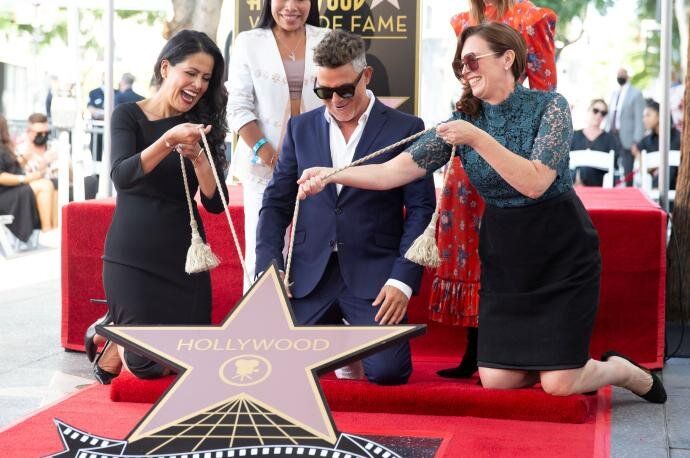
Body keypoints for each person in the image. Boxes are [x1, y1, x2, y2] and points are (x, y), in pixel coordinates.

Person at [297, 23, 666, 403]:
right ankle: (555, 364)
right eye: (461, 65)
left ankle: (620, 370)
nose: (465, 71)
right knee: (498, 380)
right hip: (505, 254)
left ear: (507, 59)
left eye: (472, 60)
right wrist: (331, 174)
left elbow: (535, 182)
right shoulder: (464, 119)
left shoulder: (549, 107)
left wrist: (475, 137)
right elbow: (393, 171)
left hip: (560, 249)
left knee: (559, 385)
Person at [255, 30, 436, 385]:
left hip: (374, 275)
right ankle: (340, 342)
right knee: (271, 364)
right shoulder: (300, 128)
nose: (335, 100)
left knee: (388, 373)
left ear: (366, 76)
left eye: (345, 90)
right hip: (308, 276)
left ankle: (347, 343)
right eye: (324, 92)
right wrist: (270, 269)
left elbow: (421, 210)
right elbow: (275, 203)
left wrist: (401, 281)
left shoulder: (407, 128)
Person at [86, 30, 230, 384]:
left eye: (206, 78)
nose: (198, 85)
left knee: (189, 362)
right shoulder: (128, 115)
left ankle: (115, 335)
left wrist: (198, 157)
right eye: (191, 73)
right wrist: (167, 141)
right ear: (166, 68)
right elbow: (122, 175)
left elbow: (215, 203)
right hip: (133, 255)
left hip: (184, 257)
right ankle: (117, 336)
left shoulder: (201, 124)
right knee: (147, 367)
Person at [436, 0, 558, 379]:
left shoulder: (535, 19)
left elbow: (545, 93)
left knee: (511, 247)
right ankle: (475, 349)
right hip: (469, 150)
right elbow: (468, 88)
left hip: (515, 152)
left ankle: (519, 349)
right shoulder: (461, 21)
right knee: (471, 246)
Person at [227, 0, 329, 291]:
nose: (291, 7)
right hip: (263, 166)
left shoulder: (327, 38)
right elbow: (238, 108)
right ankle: (260, 314)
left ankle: (308, 315)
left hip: (319, 168)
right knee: (262, 252)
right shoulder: (248, 42)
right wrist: (271, 156)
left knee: (317, 250)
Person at [0, 114, 41, 244]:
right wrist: (25, 178)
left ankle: (48, 228)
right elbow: (1, 176)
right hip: (4, 194)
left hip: (11, 189)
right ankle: (47, 229)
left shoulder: (5, 147)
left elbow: (10, 167)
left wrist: (22, 160)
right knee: (41, 187)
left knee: (47, 185)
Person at [14, 113, 58, 231]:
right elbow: (18, 174)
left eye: (46, 133)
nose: (43, 136)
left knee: (56, 186)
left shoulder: (54, 147)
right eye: (39, 133)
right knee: (48, 186)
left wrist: (65, 163)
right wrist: (44, 164)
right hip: (32, 188)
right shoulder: (21, 150)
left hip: (56, 185)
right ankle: (48, 230)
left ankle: (56, 232)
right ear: (29, 132)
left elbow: (70, 175)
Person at [605, 68, 645, 186]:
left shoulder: (636, 94)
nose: (620, 76)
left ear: (628, 76)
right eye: (618, 73)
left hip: (628, 138)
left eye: (622, 73)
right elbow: (610, 115)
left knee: (628, 170)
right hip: (612, 135)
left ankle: (628, 191)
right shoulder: (614, 93)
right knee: (610, 167)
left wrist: (636, 141)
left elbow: (640, 119)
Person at [632, 98, 682, 190]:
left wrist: (656, 164)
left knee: (669, 166)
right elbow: (639, 162)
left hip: (676, 187)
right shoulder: (647, 140)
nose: (644, 119)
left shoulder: (677, 137)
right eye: (643, 116)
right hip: (652, 184)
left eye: (648, 115)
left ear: (660, 116)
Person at [570, 99, 621, 187]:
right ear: (588, 110)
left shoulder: (610, 139)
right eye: (595, 110)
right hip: (572, 183)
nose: (599, 115)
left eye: (603, 113)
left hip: (597, 184)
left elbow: (614, 166)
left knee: (585, 170)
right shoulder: (574, 136)